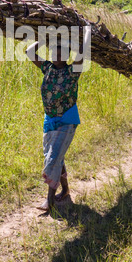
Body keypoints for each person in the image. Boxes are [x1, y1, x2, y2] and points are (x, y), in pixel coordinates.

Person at [26, 33, 87, 212]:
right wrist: (44, 39)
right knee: (55, 156)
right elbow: (29, 52)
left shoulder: (73, 70)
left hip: (67, 119)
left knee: (53, 158)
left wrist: (87, 33)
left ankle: (49, 201)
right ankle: (66, 191)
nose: (56, 56)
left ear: (68, 55)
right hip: (50, 120)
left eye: (61, 53)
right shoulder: (48, 68)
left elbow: (82, 54)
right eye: (53, 52)